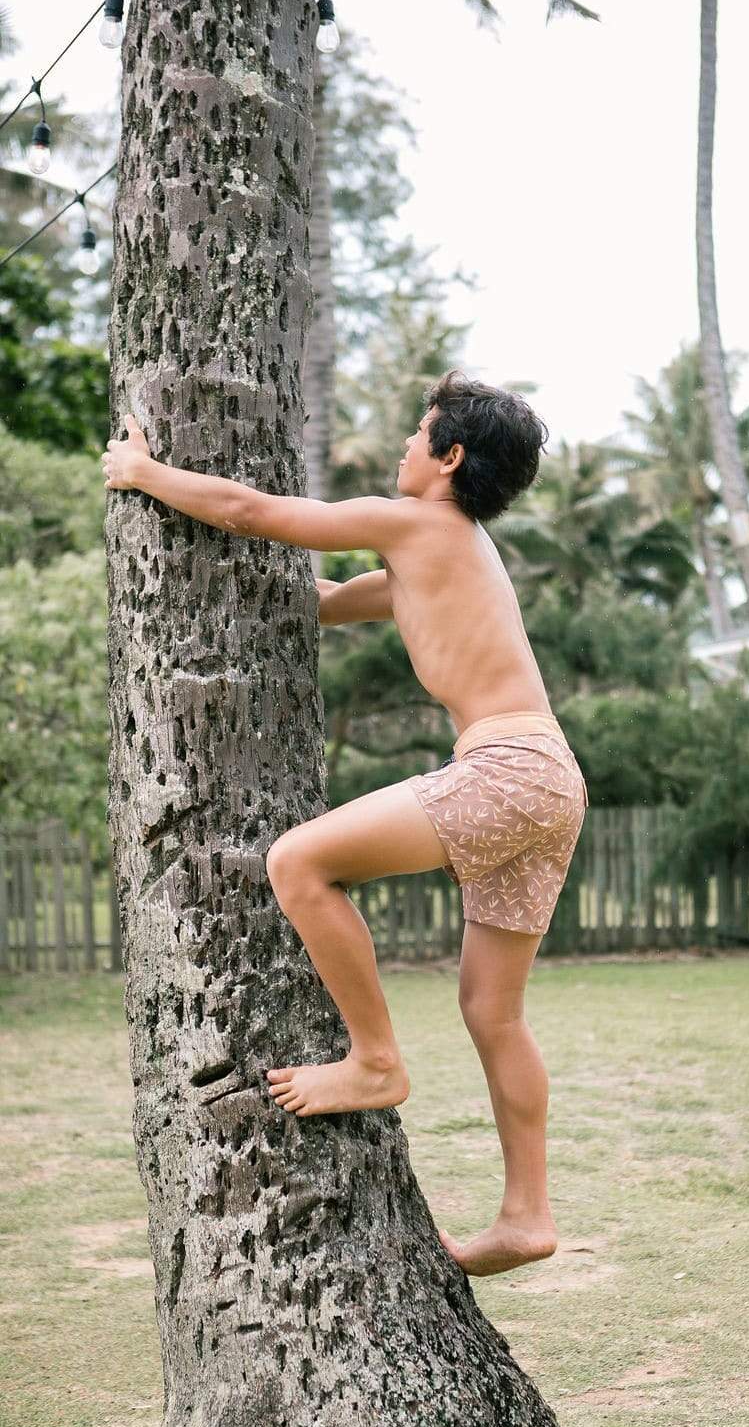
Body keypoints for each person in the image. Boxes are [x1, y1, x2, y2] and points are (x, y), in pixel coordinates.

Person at [101, 369, 590, 1277]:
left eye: (418, 431)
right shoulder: (449, 548)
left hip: (509, 768)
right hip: (551, 778)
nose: (404, 443)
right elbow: (322, 602)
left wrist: (145, 473)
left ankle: (374, 1060)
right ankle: (527, 1216)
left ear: (449, 457)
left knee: (298, 863)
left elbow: (249, 511)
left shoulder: (416, 523)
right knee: (492, 1010)